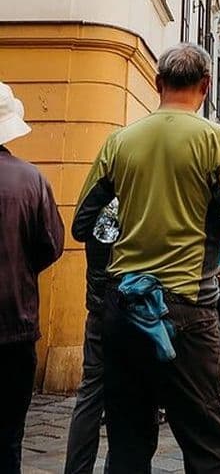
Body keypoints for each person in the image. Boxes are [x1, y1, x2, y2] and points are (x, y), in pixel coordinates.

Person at [72, 43, 220, 473]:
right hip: (187, 307)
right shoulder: (216, 140)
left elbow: (83, 222)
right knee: (209, 445)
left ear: (158, 84)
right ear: (206, 86)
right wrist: (208, 212)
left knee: (128, 444)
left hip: (123, 306)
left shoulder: (119, 141)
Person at [0, 82, 65, 474]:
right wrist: (22, 269)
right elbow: (51, 245)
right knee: (9, 436)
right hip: (15, 326)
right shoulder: (31, 180)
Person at [64, 199, 118, 474]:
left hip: (98, 307)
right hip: (129, 307)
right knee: (130, 398)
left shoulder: (99, 197)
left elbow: (79, 228)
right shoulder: (134, 197)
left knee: (90, 395)